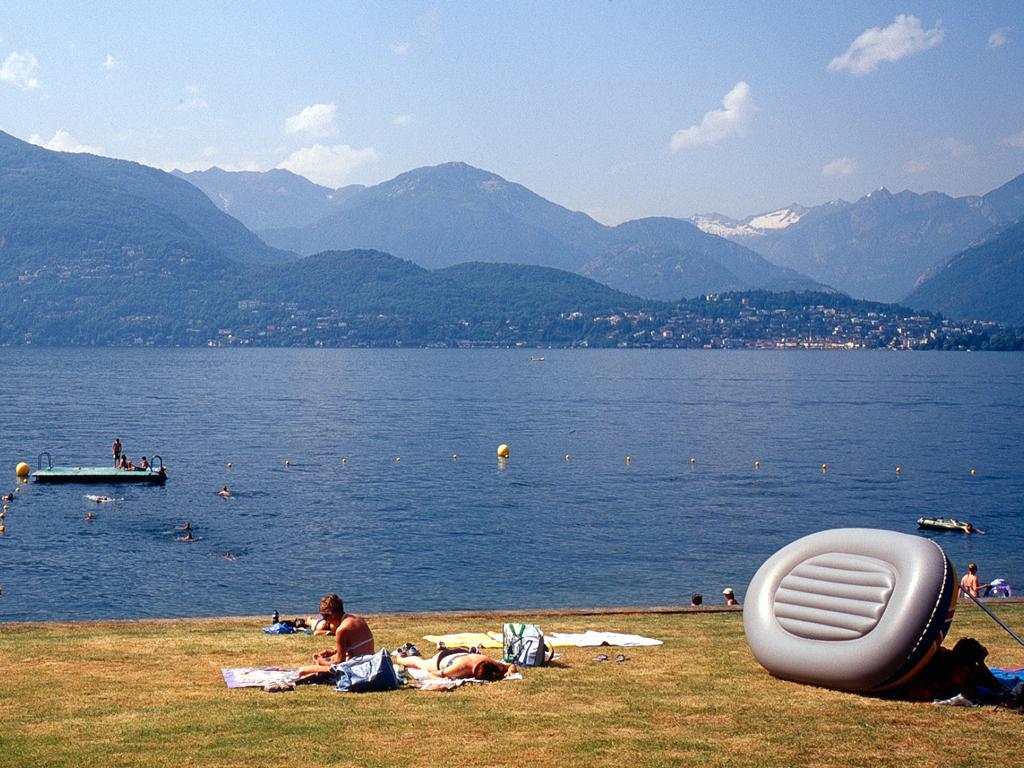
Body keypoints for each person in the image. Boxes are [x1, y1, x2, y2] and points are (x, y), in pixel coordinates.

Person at [902, 638, 1006, 703]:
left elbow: (997, 687)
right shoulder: (959, 670)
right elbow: (996, 688)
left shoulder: (949, 659)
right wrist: (981, 662)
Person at [297, 594, 375, 678]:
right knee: (331, 658)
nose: (325, 621)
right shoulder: (358, 619)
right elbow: (357, 644)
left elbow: (339, 662)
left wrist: (321, 661)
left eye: (324, 617)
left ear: (331, 614)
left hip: (356, 669)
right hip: (370, 662)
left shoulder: (342, 630)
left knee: (302, 671)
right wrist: (334, 652)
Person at [393, 647, 518, 681]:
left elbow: (511, 665)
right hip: (443, 659)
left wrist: (509, 671)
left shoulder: (490, 663)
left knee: (422, 664)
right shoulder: (460, 668)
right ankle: (400, 657)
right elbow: (434, 673)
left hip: (462, 651)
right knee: (421, 663)